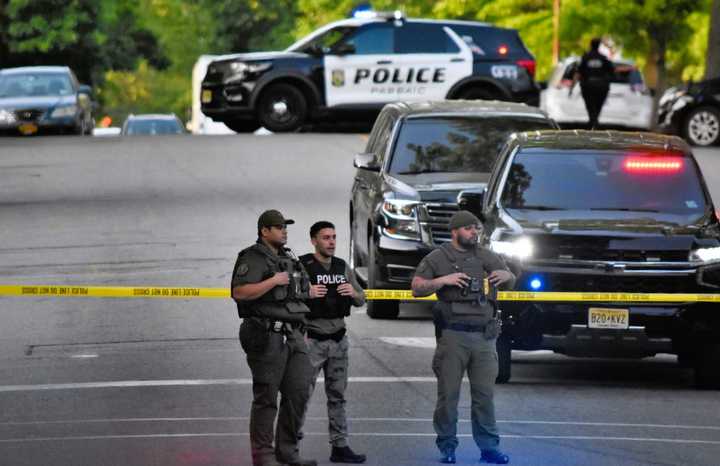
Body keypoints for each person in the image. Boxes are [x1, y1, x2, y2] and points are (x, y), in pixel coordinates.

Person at [411, 211, 515, 465]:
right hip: (453, 336)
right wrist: (443, 280)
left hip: (484, 338)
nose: (474, 233)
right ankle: (447, 448)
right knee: (448, 397)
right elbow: (416, 288)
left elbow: (510, 278)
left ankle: (489, 448)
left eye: (476, 229)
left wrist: (508, 277)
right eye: (468, 229)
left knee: (484, 398)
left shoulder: (487, 256)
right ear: (454, 231)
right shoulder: (438, 258)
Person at [231, 209, 319, 466]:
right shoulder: (253, 257)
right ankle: (263, 456)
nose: (284, 231)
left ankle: (288, 451)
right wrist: (273, 281)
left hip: (294, 335)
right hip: (266, 334)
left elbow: (300, 291)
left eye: (285, 227)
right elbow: (240, 292)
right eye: (279, 227)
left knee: (299, 392)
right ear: (264, 231)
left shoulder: (289, 258)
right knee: (267, 397)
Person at [299, 221, 367, 464]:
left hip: (338, 339)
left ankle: (340, 446)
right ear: (314, 240)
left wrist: (353, 292)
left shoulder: (341, 267)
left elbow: (362, 300)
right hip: (312, 340)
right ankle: (291, 448)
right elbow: (285, 299)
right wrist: (305, 294)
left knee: (337, 396)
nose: (331, 242)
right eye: (326, 237)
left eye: (334, 237)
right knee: (300, 396)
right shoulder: (303, 266)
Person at [571, 37, 615, 130]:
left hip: (588, 86)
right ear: (599, 45)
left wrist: (572, 87)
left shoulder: (585, 58)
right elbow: (612, 71)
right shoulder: (603, 58)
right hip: (601, 86)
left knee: (590, 105)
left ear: (590, 45)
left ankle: (593, 121)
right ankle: (594, 121)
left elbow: (579, 72)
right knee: (598, 106)